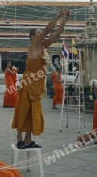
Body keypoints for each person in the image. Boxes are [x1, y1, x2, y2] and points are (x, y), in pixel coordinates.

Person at [12, 8, 71, 149]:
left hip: (38, 83)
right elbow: (48, 29)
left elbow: (57, 33)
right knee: (24, 110)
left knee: (34, 112)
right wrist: (59, 14)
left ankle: (28, 139)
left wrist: (65, 19)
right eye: (38, 33)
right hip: (29, 82)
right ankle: (19, 138)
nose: (41, 35)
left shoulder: (44, 46)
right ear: (33, 37)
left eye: (40, 33)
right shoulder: (34, 45)